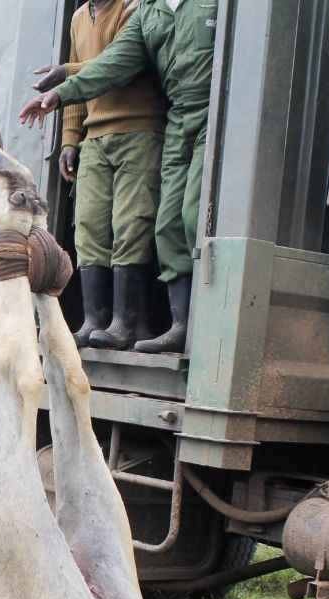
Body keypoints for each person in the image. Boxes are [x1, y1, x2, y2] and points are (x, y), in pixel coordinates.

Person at [20, 0, 218, 354]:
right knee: (164, 223)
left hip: (205, 113)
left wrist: (66, 74)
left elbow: (126, 68)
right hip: (177, 117)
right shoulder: (149, 12)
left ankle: (175, 324)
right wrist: (62, 97)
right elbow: (117, 60)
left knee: (178, 216)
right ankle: (177, 325)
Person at [38, 0, 165, 349]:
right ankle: (95, 318)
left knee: (132, 223)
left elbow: (121, 64)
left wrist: (66, 72)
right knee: (89, 225)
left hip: (138, 130)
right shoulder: (79, 17)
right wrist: (69, 139)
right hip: (94, 136)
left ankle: (129, 321)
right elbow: (82, 93)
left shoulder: (134, 8)